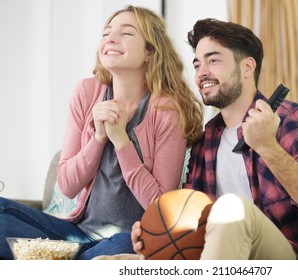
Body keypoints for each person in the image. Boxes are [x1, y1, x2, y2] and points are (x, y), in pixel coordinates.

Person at [129, 18, 298, 260]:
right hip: (227, 258)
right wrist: (157, 234)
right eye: (197, 65)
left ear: (247, 67)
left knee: (232, 208)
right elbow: (189, 215)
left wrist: (267, 146)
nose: (202, 72)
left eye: (213, 60)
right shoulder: (206, 142)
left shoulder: (288, 120)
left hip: (295, 258)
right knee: (112, 262)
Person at [0, 5, 203, 260]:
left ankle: (58, 262)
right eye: (106, 33)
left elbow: (161, 207)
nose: (111, 39)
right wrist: (98, 137)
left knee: (122, 248)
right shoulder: (86, 93)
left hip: (128, 239)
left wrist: (121, 141)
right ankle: (78, 262)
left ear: (150, 51)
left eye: (126, 33)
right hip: (74, 233)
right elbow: (67, 184)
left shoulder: (166, 110)